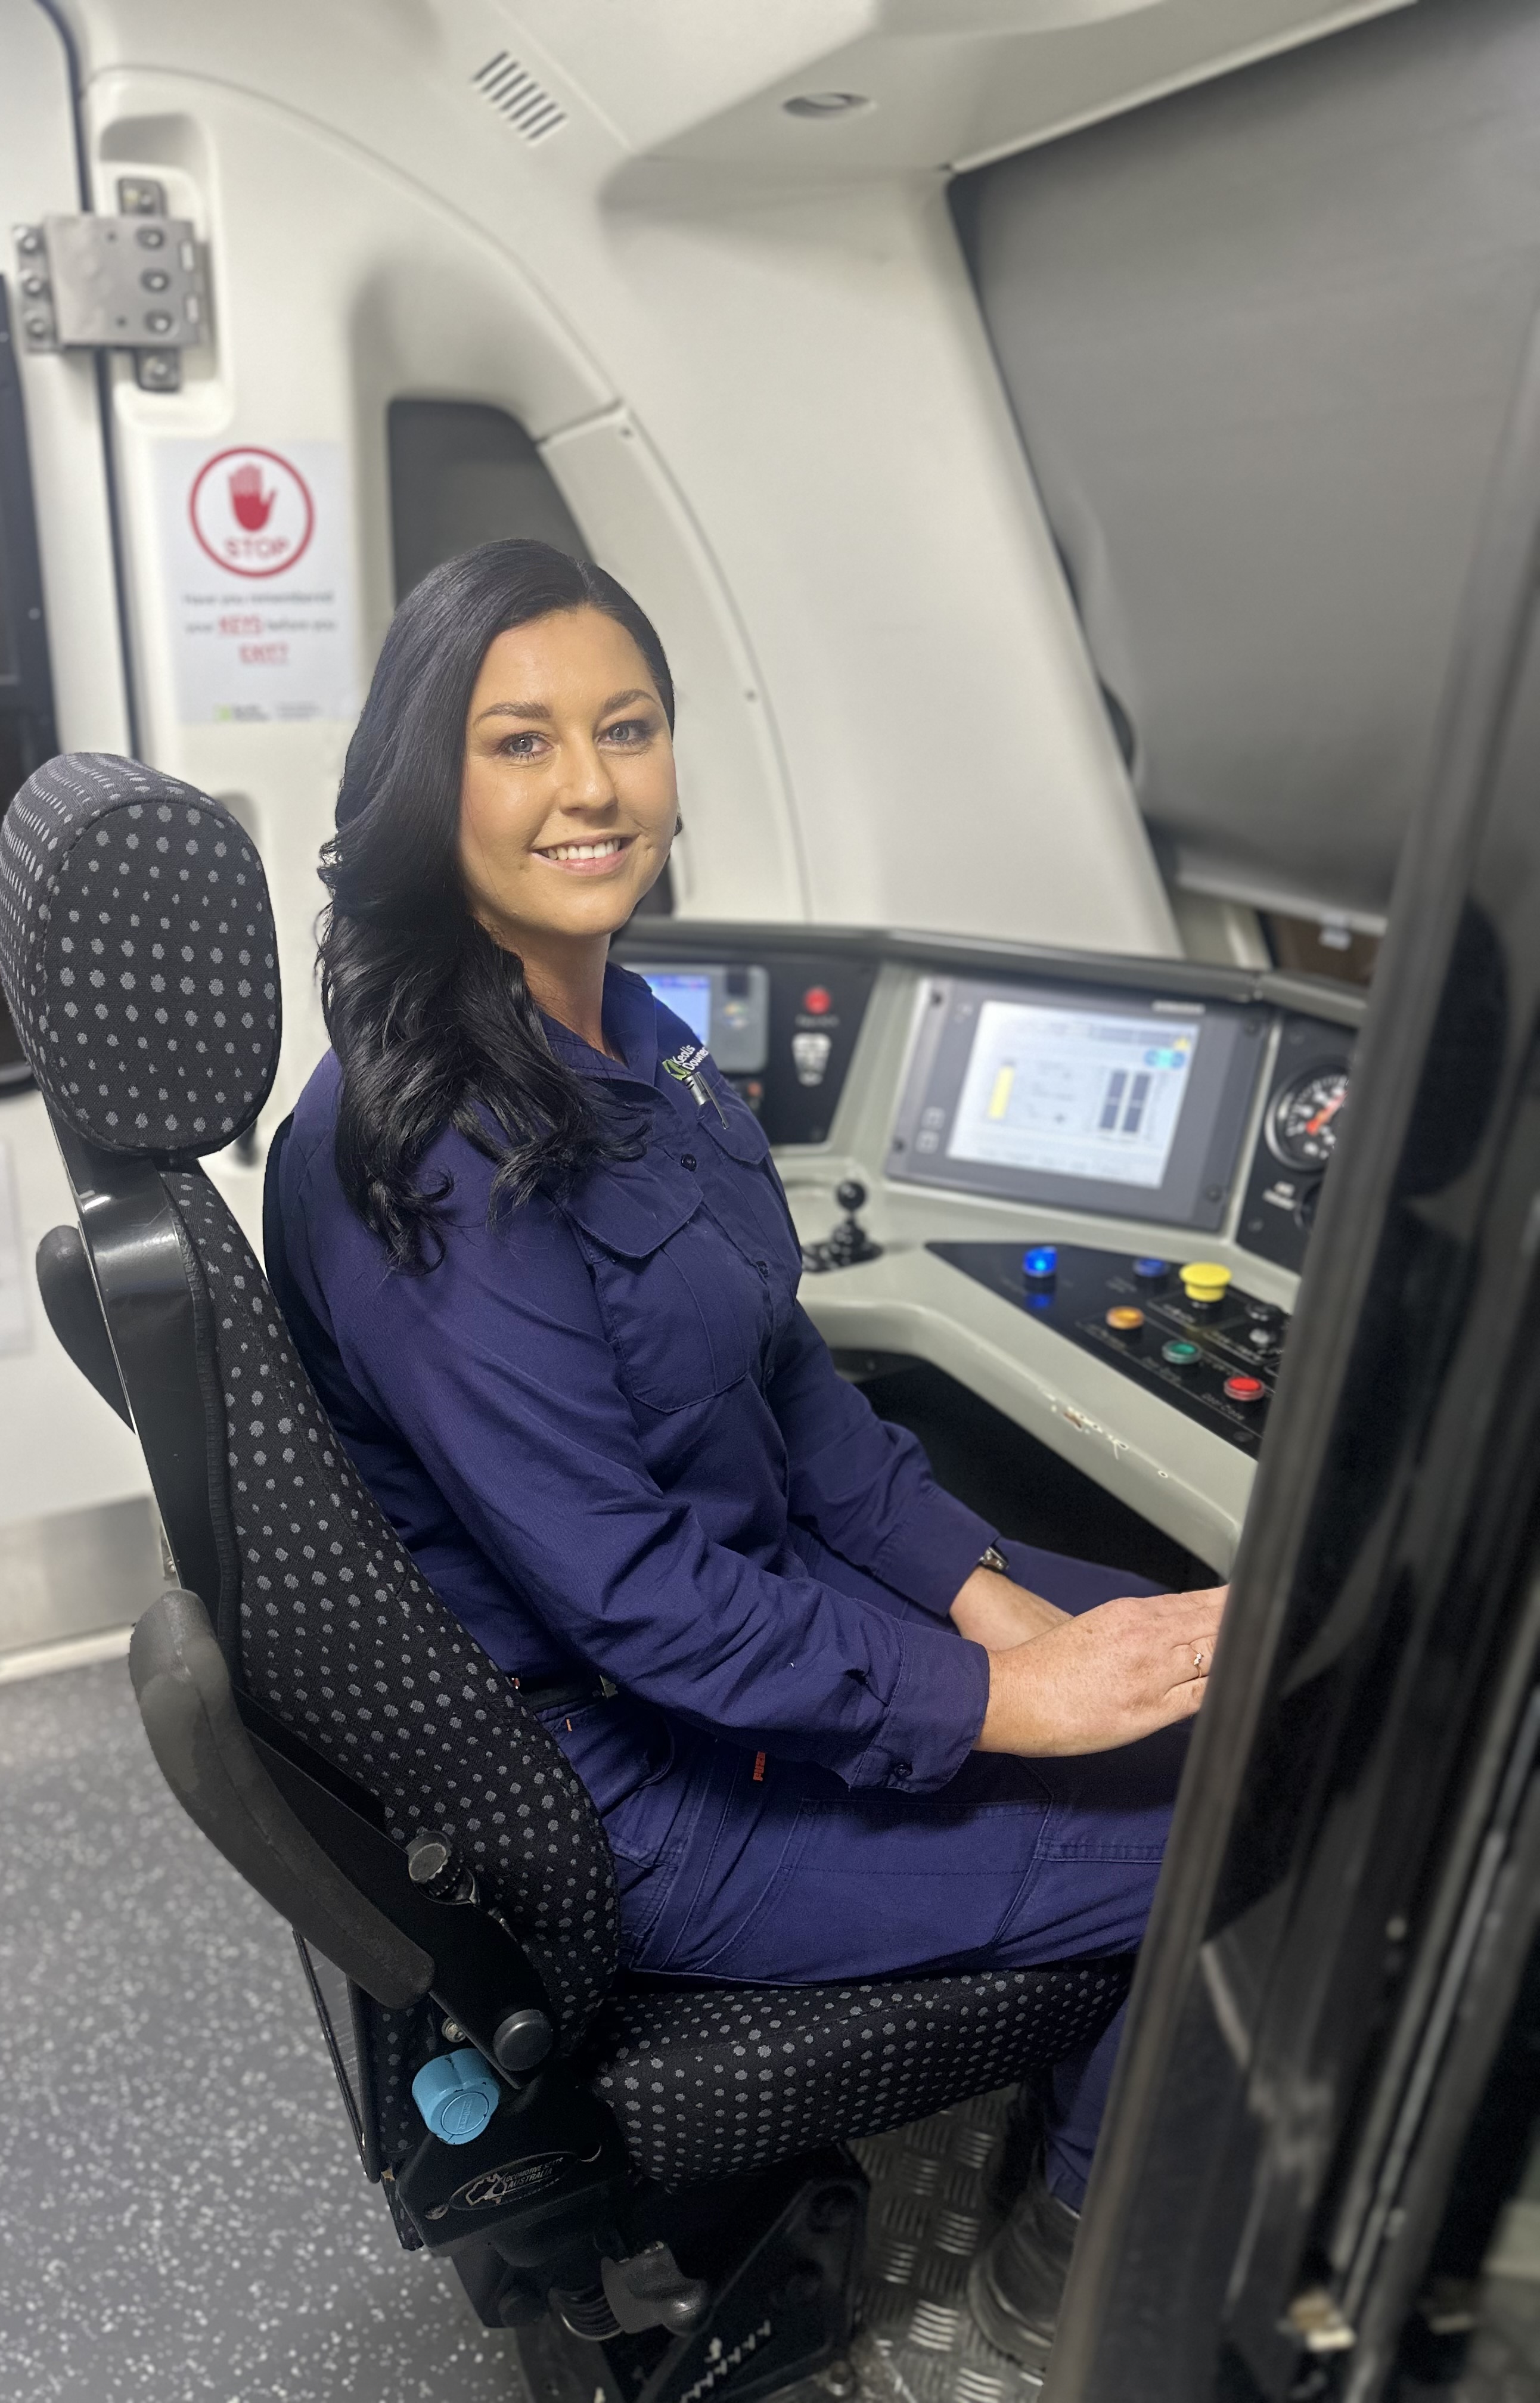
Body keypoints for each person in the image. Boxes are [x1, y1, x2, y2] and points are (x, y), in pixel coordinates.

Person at [264, 538, 1227, 2370]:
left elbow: (794, 1398)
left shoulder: (630, 1035)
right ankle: (1069, 2269)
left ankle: (1086, 2049)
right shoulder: (424, 1157)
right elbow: (638, 1606)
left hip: (751, 1641)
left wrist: (997, 1602)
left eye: (625, 728)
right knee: (1228, 1808)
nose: (591, 784)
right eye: (520, 741)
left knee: (1229, 1670)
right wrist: (1003, 1703)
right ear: (420, 783)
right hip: (644, 1788)